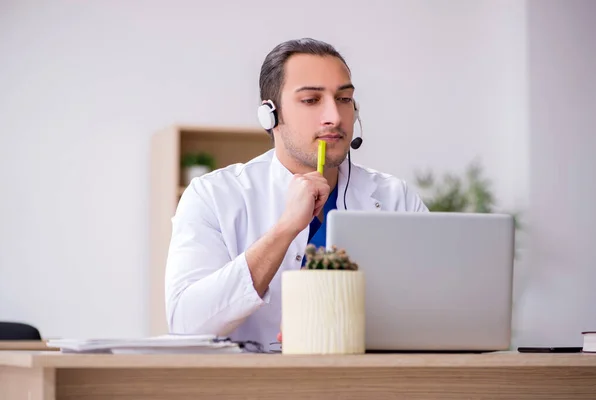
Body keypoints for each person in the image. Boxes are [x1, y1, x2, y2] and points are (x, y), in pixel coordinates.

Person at [164, 38, 428, 350]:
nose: (334, 116)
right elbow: (187, 324)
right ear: (270, 115)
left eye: (344, 99)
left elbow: (430, 311)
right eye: (311, 100)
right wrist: (285, 228)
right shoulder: (212, 196)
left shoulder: (396, 198)